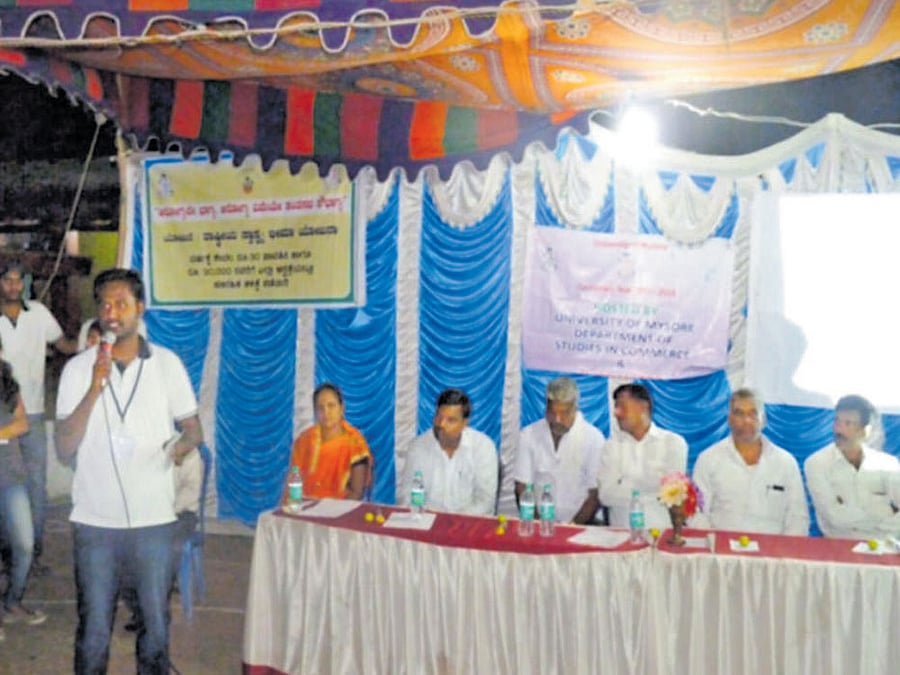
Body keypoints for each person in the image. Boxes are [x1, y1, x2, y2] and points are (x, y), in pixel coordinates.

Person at [55, 268, 203, 674]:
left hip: (154, 521)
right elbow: (64, 446)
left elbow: (194, 431)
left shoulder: (168, 365)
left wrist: (179, 449)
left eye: (121, 303)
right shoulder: (78, 370)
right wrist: (94, 387)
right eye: (104, 303)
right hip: (94, 524)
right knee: (94, 631)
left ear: (140, 308)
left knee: (155, 629)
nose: (111, 311)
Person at [0, 258, 77, 575]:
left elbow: (63, 345)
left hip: (32, 412)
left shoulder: (39, 314)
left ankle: (34, 554)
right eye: (8, 280)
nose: (14, 286)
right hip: (3, 416)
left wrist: (91, 344)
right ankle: (10, 554)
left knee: (36, 484)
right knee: (5, 485)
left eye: (19, 280)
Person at [691, 388, 809, 535]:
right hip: (722, 552)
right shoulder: (708, 459)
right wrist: (716, 546)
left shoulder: (785, 462)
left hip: (771, 552)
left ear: (764, 419)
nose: (746, 420)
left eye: (753, 414)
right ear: (729, 419)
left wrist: (783, 553)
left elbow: (798, 517)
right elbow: (696, 512)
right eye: (739, 413)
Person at [124, 448, 203, 633]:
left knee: (164, 549)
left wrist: (165, 507)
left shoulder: (188, 450)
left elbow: (192, 490)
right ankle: (138, 608)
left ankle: (156, 610)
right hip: (146, 515)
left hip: (180, 514)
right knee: (119, 547)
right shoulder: (143, 446)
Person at [0, 336, 47, 637]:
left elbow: (23, 424)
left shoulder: (8, 384)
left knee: (25, 545)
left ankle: (12, 602)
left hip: (10, 477)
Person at [804, 394, 900, 539]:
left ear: (865, 431)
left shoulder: (888, 464)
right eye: (837, 421)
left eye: (848, 423)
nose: (838, 430)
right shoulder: (816, 463)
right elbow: (834, 517)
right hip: (836, 548)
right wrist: (883, 519)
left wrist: (871, 525)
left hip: (884, 547)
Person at [513, 377, 605, 524]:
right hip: (538, 521)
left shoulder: (594, 439)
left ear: (575, 408)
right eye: (552, 412)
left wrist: (572, 527)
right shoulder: (528, 435)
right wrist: (538, 525)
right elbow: (522, 486)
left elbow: (595, 493)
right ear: (546, 407)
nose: (557, 419)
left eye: (564, 413)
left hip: (581, 522)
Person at [597, 383, 689, 530]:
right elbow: (605, 495)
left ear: (643, 407)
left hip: (661, 534)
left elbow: (673, 494)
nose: (616, 413)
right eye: (616, 407)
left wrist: (624, 482)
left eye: (622, 406)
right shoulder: (611, 446)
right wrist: (653, 487)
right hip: (621, 536)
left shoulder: (672, 443)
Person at [398, 388, 498, 515]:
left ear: (464, 423)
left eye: (451, 420)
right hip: (427, 522)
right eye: (439, 417)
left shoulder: (483, 447)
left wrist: (452, 523)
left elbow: (485, 501)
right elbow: (406, 496)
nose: (442, 425)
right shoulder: (418, 447)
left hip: (467, 524)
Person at [284, 383, 371, 501]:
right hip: (304, 508)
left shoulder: (356, 444)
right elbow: (292, 483)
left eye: (331, 406)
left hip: (339, 510)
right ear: (315, 411)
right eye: (320, 407)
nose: (326, 412)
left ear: (341, 408)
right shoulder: (304, 440)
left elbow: (357, 493)